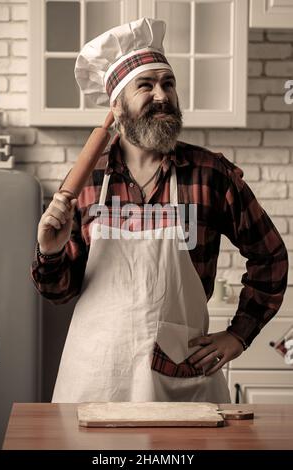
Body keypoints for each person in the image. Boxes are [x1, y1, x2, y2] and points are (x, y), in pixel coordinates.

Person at [31, 18, 288, 403]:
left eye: (168, 83)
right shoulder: (88, 179)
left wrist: (239, 333)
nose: (162, 95)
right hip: (97, 377)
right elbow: (58, 292)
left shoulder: (210, 174)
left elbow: (270, 256)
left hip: (179, 375)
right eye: (145, 85)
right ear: (117, 107)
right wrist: (50, 251)